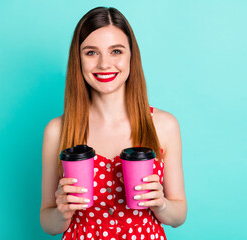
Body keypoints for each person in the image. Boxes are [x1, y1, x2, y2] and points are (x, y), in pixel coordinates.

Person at [40, 6, 187, 240]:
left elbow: (179, 215)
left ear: (131, 56)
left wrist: (162, 205)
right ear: (78, 59)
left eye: (116, 51)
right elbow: (47, 222)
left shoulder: (164, 125)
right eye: (91, 52)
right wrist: (61, 212)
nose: (104, 64)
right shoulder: (57, 130)